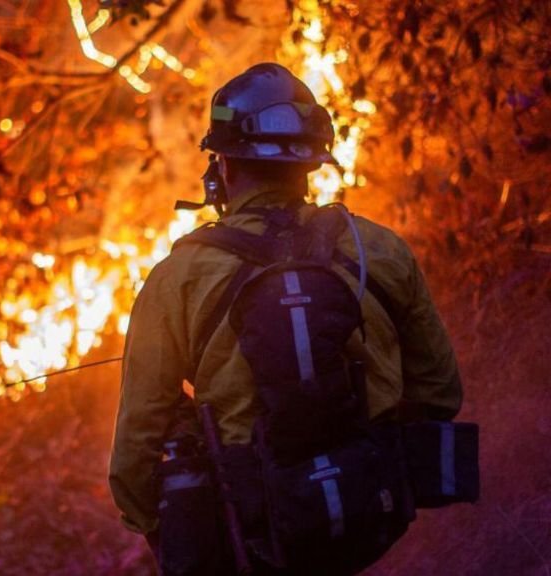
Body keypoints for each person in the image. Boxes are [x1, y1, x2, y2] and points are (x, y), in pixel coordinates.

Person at [109, 63, 464, 574]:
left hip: (253, 531)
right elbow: (440, 394)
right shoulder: (377, 250)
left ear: (224, 166)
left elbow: (135, 451)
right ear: (311, 163)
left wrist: (170, 533)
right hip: (370, 518)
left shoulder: (179, 277)